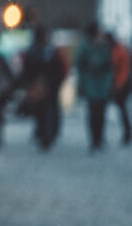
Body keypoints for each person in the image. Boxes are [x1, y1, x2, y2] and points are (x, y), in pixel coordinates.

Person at [15, 25, 66, 151]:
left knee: (45, 112)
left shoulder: (43, 52)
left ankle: (46, 134)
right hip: (42, 87)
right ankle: (45, 135)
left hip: (46, 86)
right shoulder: (45, 52)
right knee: (44, 112)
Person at [75, 22, 113, 151]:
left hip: (102, 85)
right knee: (93, 113)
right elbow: (80, 64)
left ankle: (100, 137)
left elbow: (109, 65)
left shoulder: (104, 46)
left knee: (101, 113)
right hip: (91, 85)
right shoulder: (85, 47)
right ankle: (94, 138)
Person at [105, 32, 131, 144]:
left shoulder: (119, 51)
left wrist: (119, 85)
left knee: (122, 108)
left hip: (123, 83)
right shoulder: (111, 50)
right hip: (117, 83)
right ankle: (127, 132)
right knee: (121, 108)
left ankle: (127, 133)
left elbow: (124, 69)